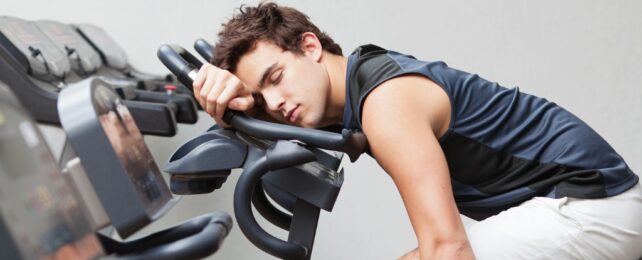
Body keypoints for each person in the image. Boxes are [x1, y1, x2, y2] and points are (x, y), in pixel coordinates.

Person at [192, 2, 642, 259]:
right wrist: (236, 104)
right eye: (261, 96)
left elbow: (448, 247)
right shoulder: (360, 79)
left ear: (309, 46)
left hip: (590, 206)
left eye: (274, 78)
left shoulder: (385, 103)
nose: (274, 103)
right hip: (583, 203)